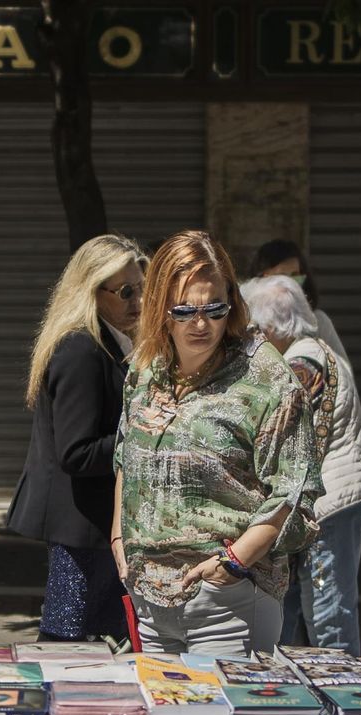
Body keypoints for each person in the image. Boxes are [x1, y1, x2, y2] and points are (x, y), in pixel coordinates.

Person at [111, 230, 320, 657]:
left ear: (232, 304)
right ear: (160, 307)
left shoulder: (266, 378)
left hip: (228, 603)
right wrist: (119, 537)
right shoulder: (146, 369)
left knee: (221, 703)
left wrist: (233, 563)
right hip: (149, 598)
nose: (200, 323)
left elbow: (293, 490)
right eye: (184, 310)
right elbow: (124, 456)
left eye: (214, 308)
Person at [9, 234, 148, 643]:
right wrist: (146, 438)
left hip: (97, 526)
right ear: (92, 292)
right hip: (82, 528)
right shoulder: (81, 349)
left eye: (142, 288)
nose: (139, 301)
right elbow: (76, 452)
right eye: (126, 292)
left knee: (102, 645)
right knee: (67, 645)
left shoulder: (113, 342)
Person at [243, 275, 361, 654]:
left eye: (256, 328)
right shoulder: (311, 351)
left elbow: (279, 432)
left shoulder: (303, 363)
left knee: (328, 613)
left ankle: (343, 683)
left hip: (332, 502)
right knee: (311, 607)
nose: (252, 337)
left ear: (272, 327)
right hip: (337, 495)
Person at [250, 238, 350, 366]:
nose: (290, 283)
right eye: (282, 276)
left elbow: (341, 370)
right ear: (263, 279)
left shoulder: (319, 322)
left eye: (295, 275)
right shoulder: (247, 322)